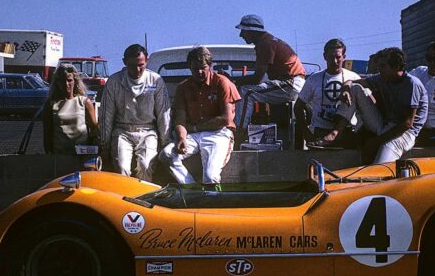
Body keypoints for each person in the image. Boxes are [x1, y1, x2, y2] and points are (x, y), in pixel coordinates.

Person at [317, 47, 428, 164]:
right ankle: (335, 133)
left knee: (380, 167)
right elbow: (354, 83)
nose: (379, 69)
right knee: (355, 89)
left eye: (383, 66)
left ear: (395, 67)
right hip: (385, 124)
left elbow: (407, 124)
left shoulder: (411, 84)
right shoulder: (384, 78)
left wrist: (377, 141)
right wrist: (345, 87)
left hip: (404, 133)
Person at [160, 46, 241, 186]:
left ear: (210, 65)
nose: (199, 72)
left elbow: (226, 119)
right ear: (189, 68)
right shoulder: (183, 87)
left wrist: (196, 128)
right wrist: (181, 138)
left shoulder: (222, 83)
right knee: (166, 155)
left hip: (218, 134)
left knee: (210, 176)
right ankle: (191, 189)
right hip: (192, 135)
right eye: (195, 68)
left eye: (203, 67)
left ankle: (212, 202)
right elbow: (180, 119)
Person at [100, 44, 171, 181]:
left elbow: (163, 113)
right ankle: (122, 200)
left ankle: (143, 199)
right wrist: (104, 144)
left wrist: (165, 141)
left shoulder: (155, 80)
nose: (137, 70)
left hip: (148, 131)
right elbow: (106, 114)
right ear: (124, 62)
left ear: (147, 61)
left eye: (141, 65)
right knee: (122, 168)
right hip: (122, 131)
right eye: (132, 66)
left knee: (145, 166)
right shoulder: (114, 81)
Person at [234, 14, 305, 138]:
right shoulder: (268, 41)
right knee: (251, 90)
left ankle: (238, 133)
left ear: (252, 32)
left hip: (291, 83)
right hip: (291, 82)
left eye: (243, 31)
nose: (240, 35)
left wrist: (233, 80)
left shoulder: (265, 44)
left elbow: (257, 79)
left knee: (247, 92)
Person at [295, 38, 361, 147]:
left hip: (347, 133)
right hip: (320, 133)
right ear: (325, 56)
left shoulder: (354, 77)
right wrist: (305, 133)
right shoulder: (313, 79)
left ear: (344, 57)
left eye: (338, 57)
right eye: (331, 57)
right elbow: (298, 107)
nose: (334, 61)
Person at [43, 64, 99, 154]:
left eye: (69, 80)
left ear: (75, 82)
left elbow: (94, 129)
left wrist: (92, 149)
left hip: (82, 155)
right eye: (62, 81)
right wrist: (49, 153)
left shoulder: (84, 102)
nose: (66, 84)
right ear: (57, 83)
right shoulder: (50, 104)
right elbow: (47, 132)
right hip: (59, 154)